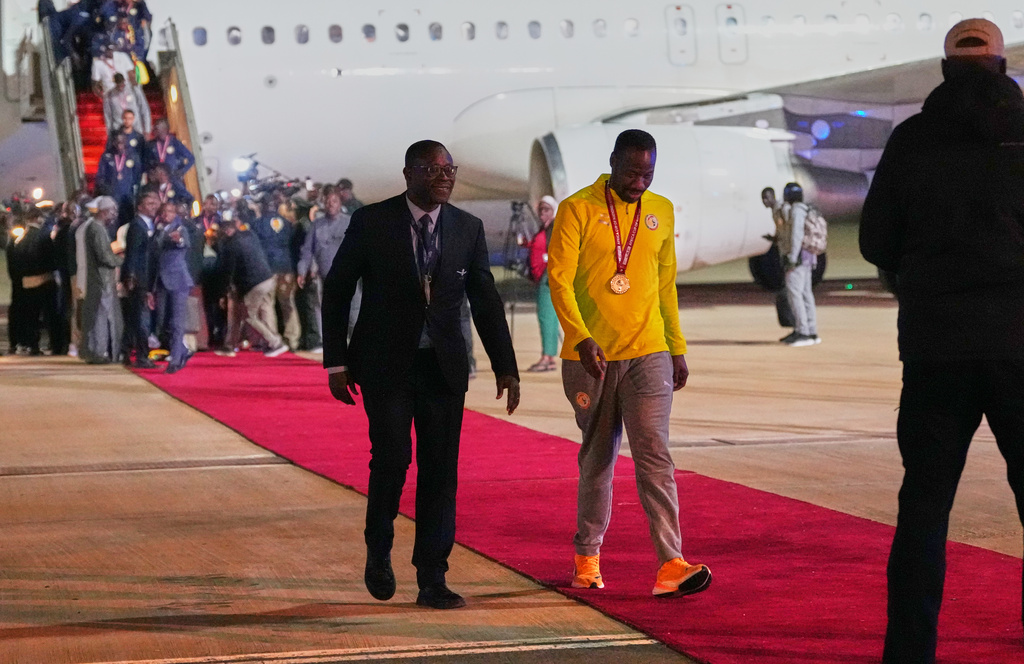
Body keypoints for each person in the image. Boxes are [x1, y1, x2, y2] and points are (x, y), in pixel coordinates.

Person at [860, 19, 1024, 664]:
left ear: (944, 66)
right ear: (1004, 62)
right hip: (1019, 348)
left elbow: (875, 240)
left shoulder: (913, 140)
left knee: (924, 506)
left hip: (934, 350)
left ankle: (909, 651)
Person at [322, 140, 520, 610]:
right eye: (433, 169)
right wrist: (336, 361)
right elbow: (337, 288)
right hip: (385, 365)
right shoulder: (372, 221)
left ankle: (433, 577)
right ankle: (379, 547)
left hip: (443, 368)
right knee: (392, 458)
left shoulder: (467, 229)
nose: (445, 176)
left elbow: (486, 302)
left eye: (450, 168)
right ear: (409, 173)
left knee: (440, 472)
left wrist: (506, 367)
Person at [547, 129, 711, 599]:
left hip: (649, 352)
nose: (639, 182)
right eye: (632, 172)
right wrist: (580, 337)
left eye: (648, 173)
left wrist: (676, 347)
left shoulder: (660, 211)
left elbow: (666, 287)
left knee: (654, 455)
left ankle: (671, 564)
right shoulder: (577, 209)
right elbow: (559, 281)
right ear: (613, 162)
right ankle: (587, 558)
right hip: (590, 358)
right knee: (598, 458)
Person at [216, 213, 288, 357]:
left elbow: (228, 271)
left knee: (249, 315)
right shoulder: (249, 235)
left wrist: (222, 293)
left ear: (226, 231)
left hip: (254, 283)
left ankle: (275, 342)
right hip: (268, 277)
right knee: (265, 310)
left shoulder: (230, 245)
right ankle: (236, 345)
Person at [297, 189, 351, 350]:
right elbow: (307, 249)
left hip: (345, 275)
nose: (330, 204)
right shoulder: (317, 224)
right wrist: (302, 270)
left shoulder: (349, 222)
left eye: (334, 201)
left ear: (340, 204)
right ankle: (324, 341)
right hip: (323, 274)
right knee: (321, 308)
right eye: (327, 202)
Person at [76, 197, 124, 364]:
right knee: (100, 317)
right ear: (104, 212)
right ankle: (98, 352)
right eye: (112, 211)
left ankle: (96, 351)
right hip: (100, 279)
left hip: (98, 278)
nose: (114, 215)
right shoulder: (97, 229)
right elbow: (104, 256)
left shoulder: (96, 228)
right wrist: (120, 260)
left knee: (98, 315)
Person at [148, 203, 194, 373]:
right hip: (161, 281)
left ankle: (175, 359)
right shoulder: (158, 230)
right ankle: (182, 351)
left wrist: (179, 240)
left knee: (177, 321)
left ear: (175, 213)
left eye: (170, 211)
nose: (167, 214)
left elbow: (183, 243)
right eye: (164, 211)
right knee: (163, 322)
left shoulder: (180, 228)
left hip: (178, 280)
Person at [250, 196, 299, 350]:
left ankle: (274, 339)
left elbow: (254, 247)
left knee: (267, 304)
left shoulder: (257, 224)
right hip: (286, 267)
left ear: (263, 207)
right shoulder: (287, 223)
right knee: (288, 303)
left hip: (268, 269)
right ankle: (293, 339)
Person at [778, 182, 820, 347]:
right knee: (806, 294)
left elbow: (796, 235)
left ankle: (803, 332)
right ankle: (811, 331)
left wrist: (792, 257)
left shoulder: (797, 211)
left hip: (799, 258)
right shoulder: (808, 209)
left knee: (795, 294)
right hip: (809, 257)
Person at [121, 191, 159, 368]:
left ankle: (126, 353)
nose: (154, 206)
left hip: (143, 276)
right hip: (139, 279)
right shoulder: (137, 226)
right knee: (141, 318)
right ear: (140, 207)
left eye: (155, 203)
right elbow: (133, 253)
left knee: (133, 318)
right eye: (149, 203)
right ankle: (142, 356)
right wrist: (130, 275)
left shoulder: (148, 225)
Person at [526, 195, 559, 372]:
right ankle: (549, 356)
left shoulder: (553, 228)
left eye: (546, 209)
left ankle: (547, 357)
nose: (542, 213)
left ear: (553, 211)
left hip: (548, 276)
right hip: (542, 276)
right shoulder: (544, 228)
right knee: (549, 317)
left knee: (547, 317)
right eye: (541, 210)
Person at [94, 132, 142, 226]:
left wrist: (135, 191)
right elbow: (101, 176)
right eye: (117, 142)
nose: (119, 145)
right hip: (113, 195)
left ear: (125, 142)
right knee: (113, 222)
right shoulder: (107, 157)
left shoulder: (133, 156)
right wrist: (107, 191)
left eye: (122, 142)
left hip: (128, 196)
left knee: (128, 221)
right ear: (113, 143)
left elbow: (137, 175)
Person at [143, 119, 195, 184]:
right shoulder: (150, 145)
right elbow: (144, 161)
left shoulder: (175, 143)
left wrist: (182, 171)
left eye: (157, 129)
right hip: (156, 181)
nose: (154, 131)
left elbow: (191, 158)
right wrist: (149, 172)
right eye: (154, 128)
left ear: (165, 129)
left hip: (173, 179)